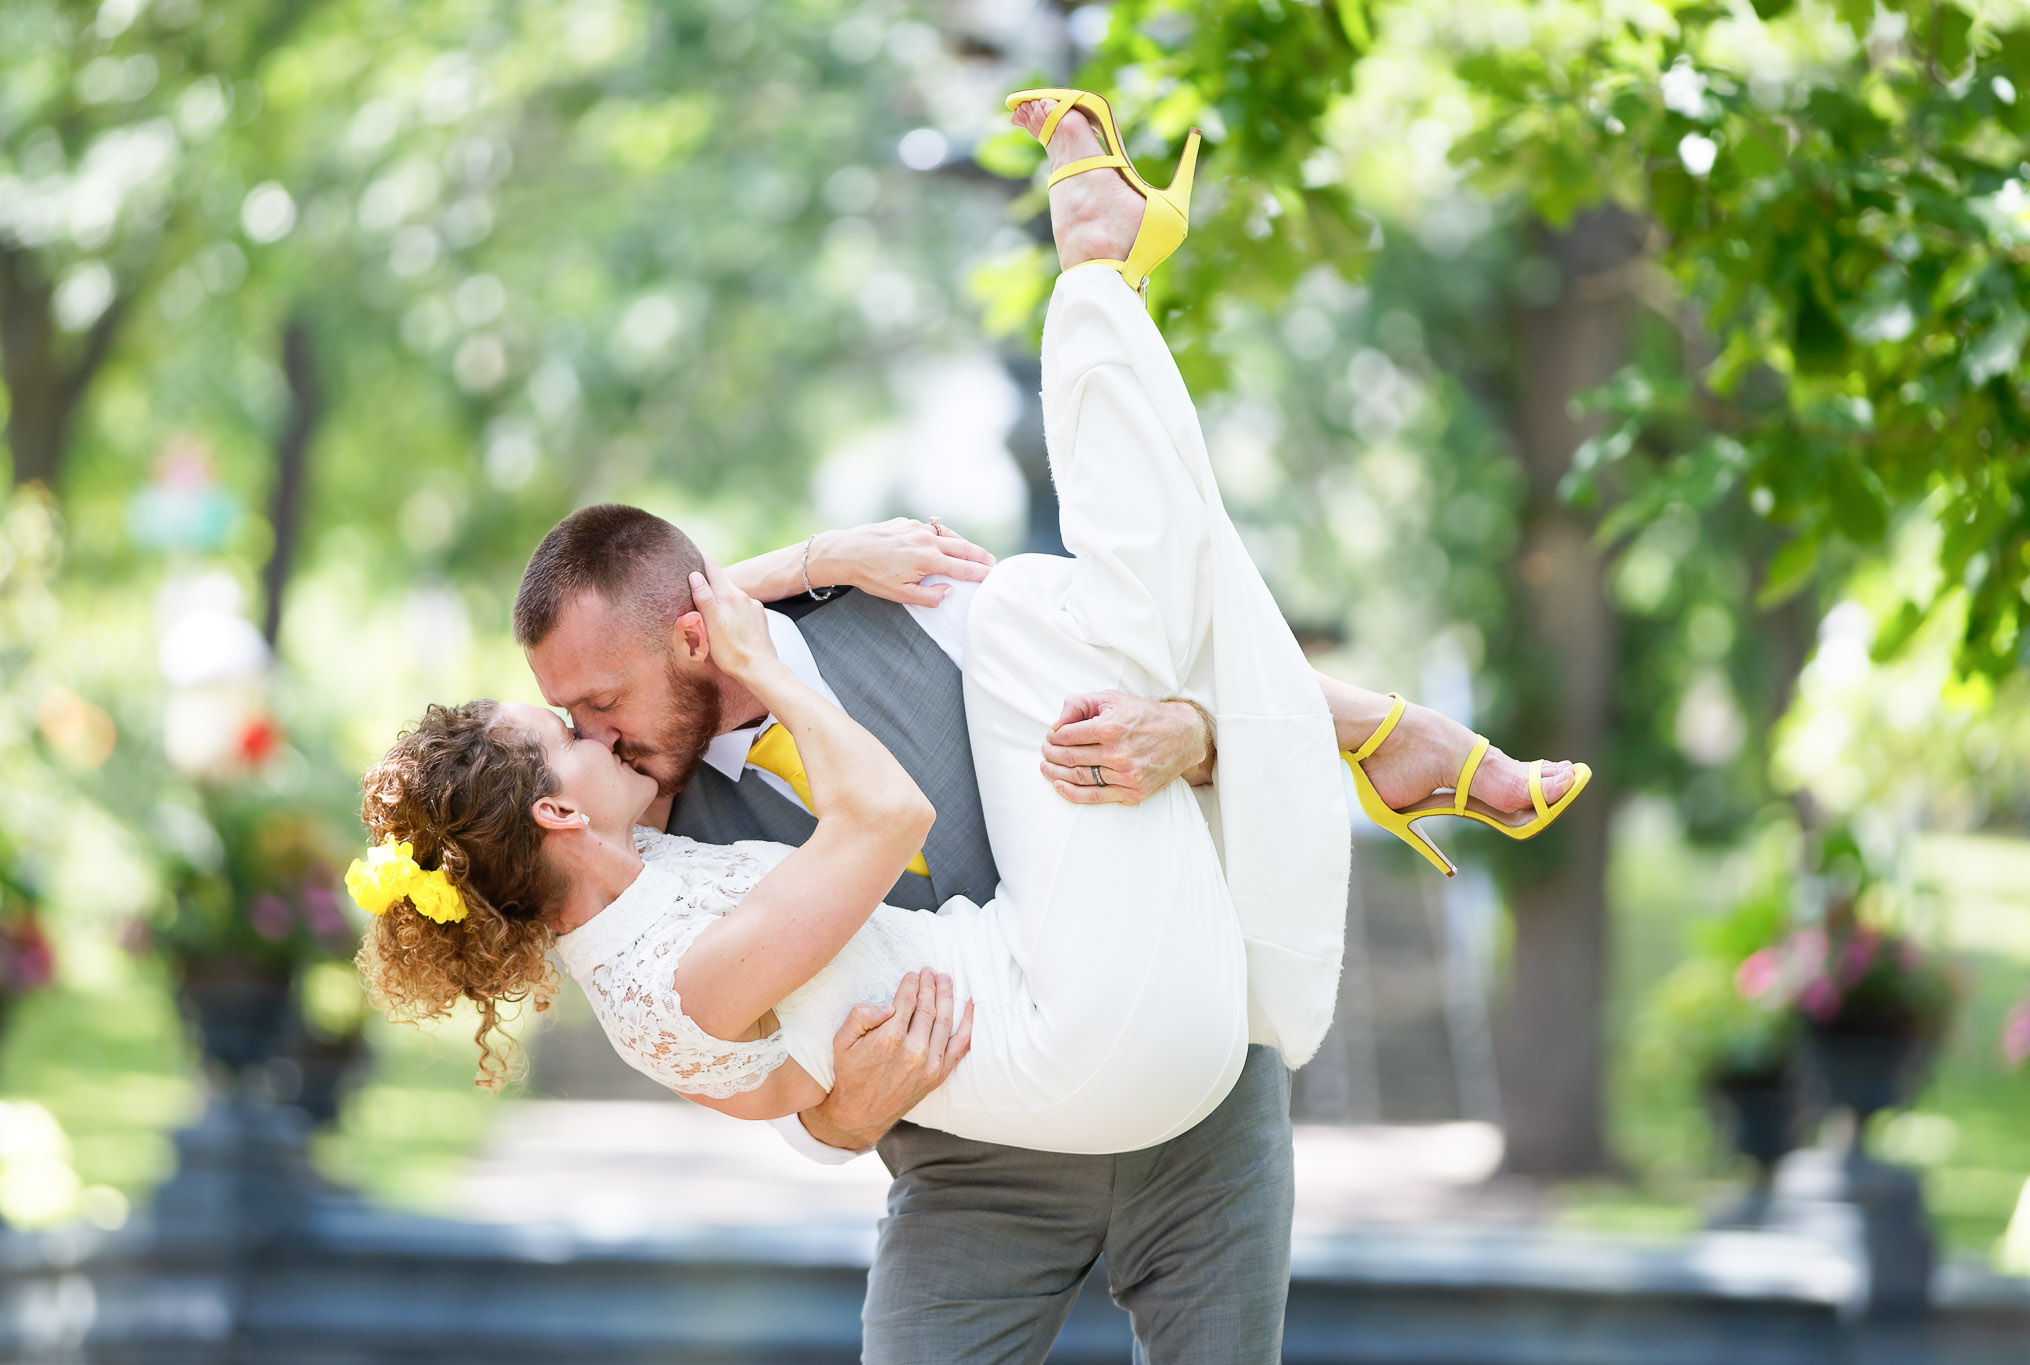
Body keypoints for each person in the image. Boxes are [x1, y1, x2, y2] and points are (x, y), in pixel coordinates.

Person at [354, 89, 1588, 1363]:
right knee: (1045, 617)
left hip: (1193, 1109)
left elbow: (1129, 663)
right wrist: (837, 1124)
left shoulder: (893, 611)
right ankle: (1344, 694)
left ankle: (1117, 311)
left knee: (1041, 613)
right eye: (567, 723)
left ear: (689, 631)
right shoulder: (642, 835)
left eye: (599, 705)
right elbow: (744, 1055)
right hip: (973, 1155)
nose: (599, 734)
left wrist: (1190, 734)